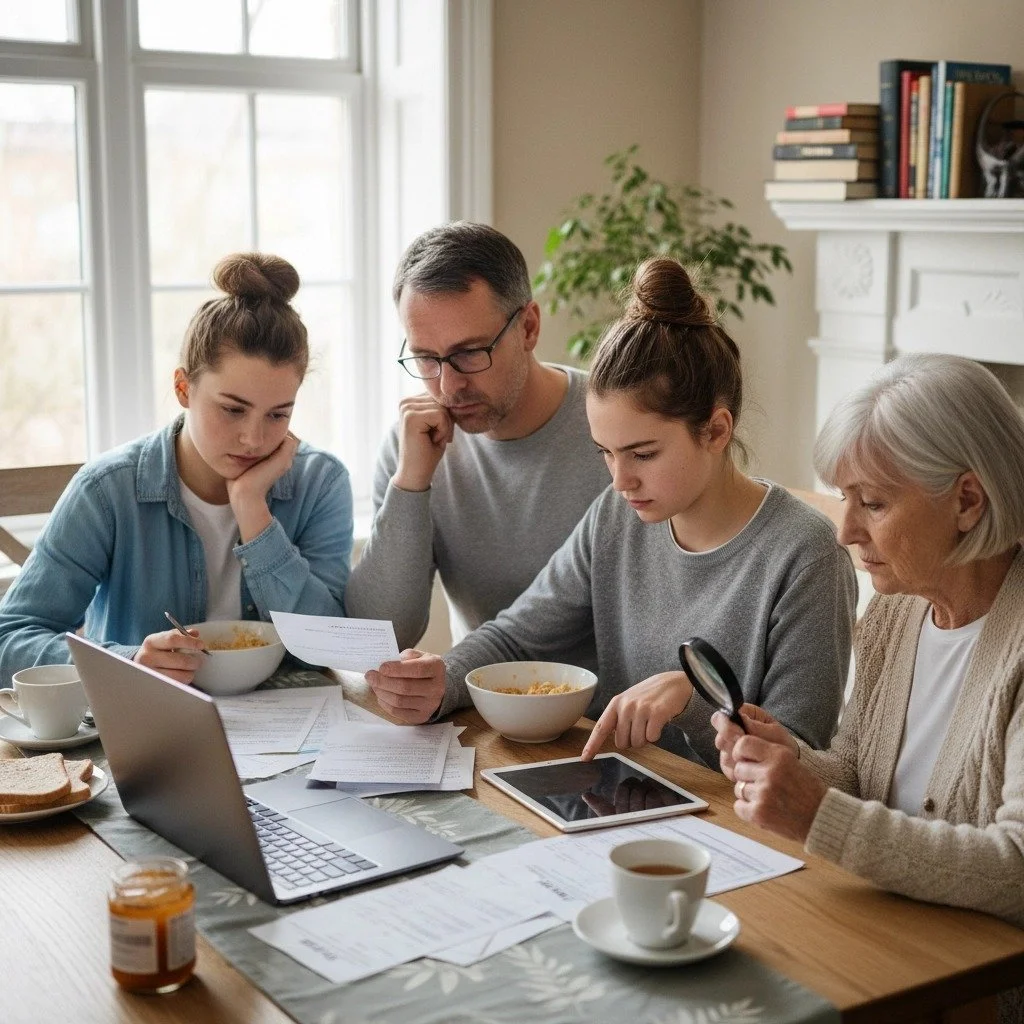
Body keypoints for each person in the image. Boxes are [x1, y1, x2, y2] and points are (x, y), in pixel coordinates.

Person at [368, 257, 857, 769]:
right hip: (620, 788)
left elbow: (804, 765)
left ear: (715, 430)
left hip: (736, 825)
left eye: (643, 454)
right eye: (606, 452)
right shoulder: (618, 517)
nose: (620, 481)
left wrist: (693, 701)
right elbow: (519, 633)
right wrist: (440, 680)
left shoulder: (806, 554)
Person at [713, 354, 1024, 960]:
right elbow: (861, 774)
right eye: (844, 499)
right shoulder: (896, 611)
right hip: (886, 943)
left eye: (873, 503)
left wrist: (818, 815)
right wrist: (793, 761)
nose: (844, 531)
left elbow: (1016, 869)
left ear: (968, 501)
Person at [0, 253, 353, 687]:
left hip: (294, 733)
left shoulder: (320, 482)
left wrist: (252, 510)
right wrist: (130, 662)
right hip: (148, 730)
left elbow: (332, 646)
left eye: (278, 415)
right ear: (183, 388)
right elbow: (11, 638)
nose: (254, 440)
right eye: (232, 410)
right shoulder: (107, 491)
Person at [343, 222, 609, 661]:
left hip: (600, 721)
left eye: (469, 353)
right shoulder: (413, 444)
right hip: (475, 712)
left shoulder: (613, 432)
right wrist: (411, 482)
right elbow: (380, 638)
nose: (448, 386)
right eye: (426, 358)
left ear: (528, 327)